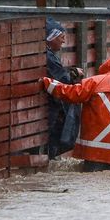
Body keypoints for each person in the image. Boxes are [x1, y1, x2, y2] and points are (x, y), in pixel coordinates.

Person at [40, 45, 110, 174]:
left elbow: (70, 93)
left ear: (109, 64)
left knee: (92, 179)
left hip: (93, 152)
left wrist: (47, 83)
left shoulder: (94, 82)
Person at [45, 17, 84, 160]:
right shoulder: (49, 57)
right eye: (61, 37)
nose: (63, 41)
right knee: (54, 141)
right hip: (51, 111)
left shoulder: (49, 55)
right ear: (51, 37)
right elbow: (62, 79)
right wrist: (74, 74)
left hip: (50, 110)